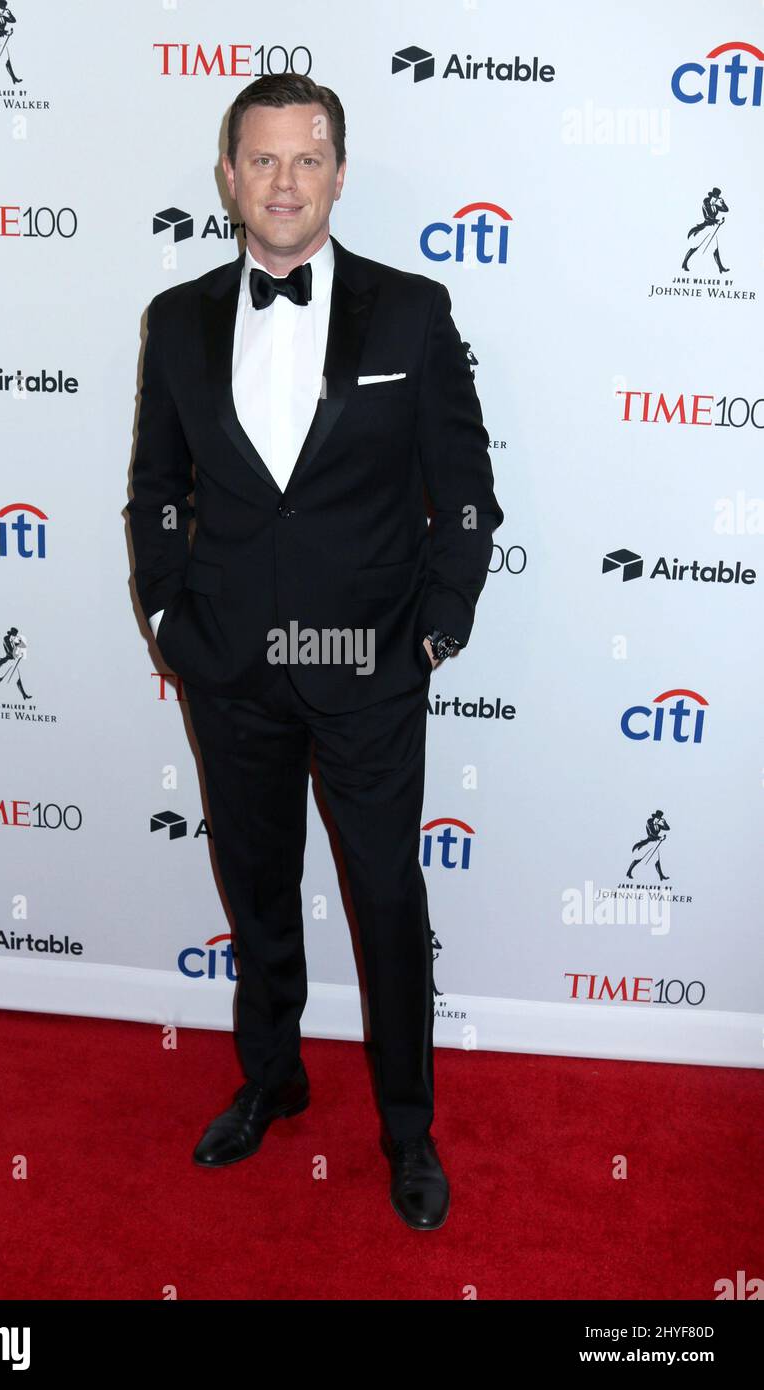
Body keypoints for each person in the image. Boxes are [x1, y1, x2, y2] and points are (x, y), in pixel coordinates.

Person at [126, 73, 504, 1230]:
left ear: (339, 173)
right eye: (262, 159)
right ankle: (272, 1077)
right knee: (256, 890)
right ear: (228, 175)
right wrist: (168, 622)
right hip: (229, 666)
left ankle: (407, 1127)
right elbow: (153, 489)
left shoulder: (412, 311)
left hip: (368, 666)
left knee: (388, 898)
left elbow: (469, 492)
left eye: (306, 159)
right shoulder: (177, 317)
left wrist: (437, 626)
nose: (283, 182)